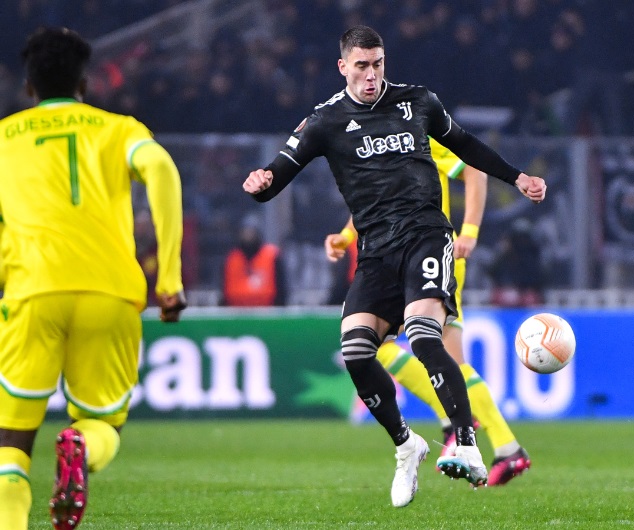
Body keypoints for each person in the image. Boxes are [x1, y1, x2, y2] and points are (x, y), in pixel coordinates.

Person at [243, 25, 546, 507]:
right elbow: (280, 172)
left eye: (378, 64)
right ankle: (407, 446)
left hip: (427, 237)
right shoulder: (324, 121)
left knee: (424, 335)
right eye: (361, 66)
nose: (371, 75)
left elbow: (466, 147)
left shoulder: (418, 102)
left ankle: (467, 443)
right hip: (376, 253)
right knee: (357, 350)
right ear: (343, 67)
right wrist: (262, 182)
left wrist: (517, 177)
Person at [0, 27, 186, 530]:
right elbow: (161, 169)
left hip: (33, 290)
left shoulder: (4, 138)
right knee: (102, 424)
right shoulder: (119, 129)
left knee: (10, 445)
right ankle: (81, 446)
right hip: (111, 291)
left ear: (28, 87)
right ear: (84, 82)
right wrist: (169, 278)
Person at [324, 138, 532, 486]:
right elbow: (378, 198)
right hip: (401, 259)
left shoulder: (421, 135)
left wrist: (469, 232)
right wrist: (347, 235)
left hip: (431, 258)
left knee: (428, 353)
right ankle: (503, 445)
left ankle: (469, 431)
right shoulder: (382, 139)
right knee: (382, 348)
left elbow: (475, 172)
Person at [223, 212, 287, 306]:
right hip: (236, 310)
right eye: (245, 232)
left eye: (251, 232)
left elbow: (282, 289)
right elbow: (224, 289)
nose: (248, 236)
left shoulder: (272, 256)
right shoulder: (232, 258)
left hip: (267, 309)